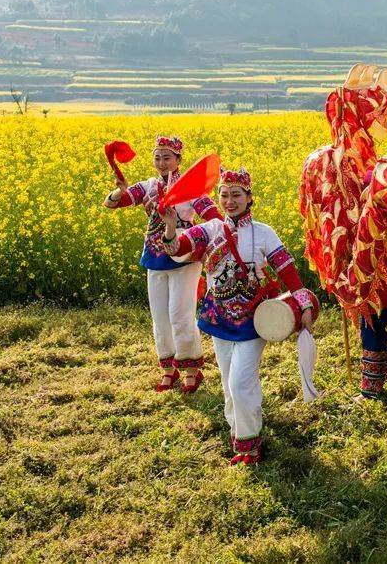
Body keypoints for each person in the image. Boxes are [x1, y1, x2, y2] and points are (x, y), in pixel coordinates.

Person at [161, 167, 315, 465]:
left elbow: (288, 272)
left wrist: (304, 304)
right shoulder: (210, 230)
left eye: (236, 195)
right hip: (219, 319)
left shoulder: (264, 232)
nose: (229, 201)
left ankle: (249, 443)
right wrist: (170, 227)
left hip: (253, 320)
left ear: (249, 197)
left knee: (240, 382)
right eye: (224, 195)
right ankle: (239, 433)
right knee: (229, 383)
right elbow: (177, 247)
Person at [103, 135, 220, 394]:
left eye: (167, 157)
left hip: (183, 255)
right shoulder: (148, 186)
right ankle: (168, 368)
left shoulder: (191, 189)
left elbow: (214, 217)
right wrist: (120, 190)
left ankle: (191, 369)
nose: (161, 162)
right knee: (160, 316)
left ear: (178, 160)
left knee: (180, 313)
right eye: (157, 157)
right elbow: (112, 204)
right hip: (155, 256)